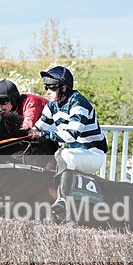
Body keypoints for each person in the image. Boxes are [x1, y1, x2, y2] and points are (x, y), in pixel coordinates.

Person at [28, 66, 108, 220]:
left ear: (64, 88)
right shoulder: (52, 105)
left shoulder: (79, 102)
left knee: (65, 154)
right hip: (76, 154)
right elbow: (39, 127)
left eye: (51, 87)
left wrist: (41, 134)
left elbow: (71, 135)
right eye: (46, 87)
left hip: (93, 155)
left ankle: (63, 200)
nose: (47, 91)